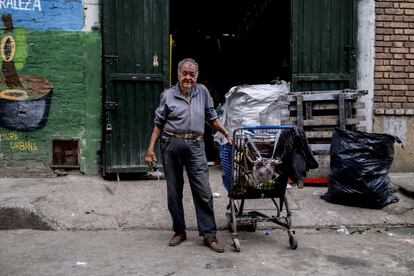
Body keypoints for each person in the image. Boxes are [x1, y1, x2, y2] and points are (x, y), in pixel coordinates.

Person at [145, 58, 233, 253]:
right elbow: (158, 124)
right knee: (174, 191)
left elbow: (212, 118)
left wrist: (226, 133)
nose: (188, 77)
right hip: (171, 143)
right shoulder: (167, 95)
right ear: (178, 75)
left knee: (203, 190)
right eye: (184, 73)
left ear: (197, 76)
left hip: (195, 144)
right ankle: (179, 231)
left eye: (192, 74)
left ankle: (209, 234)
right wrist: (150, 149)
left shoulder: (203, 92)